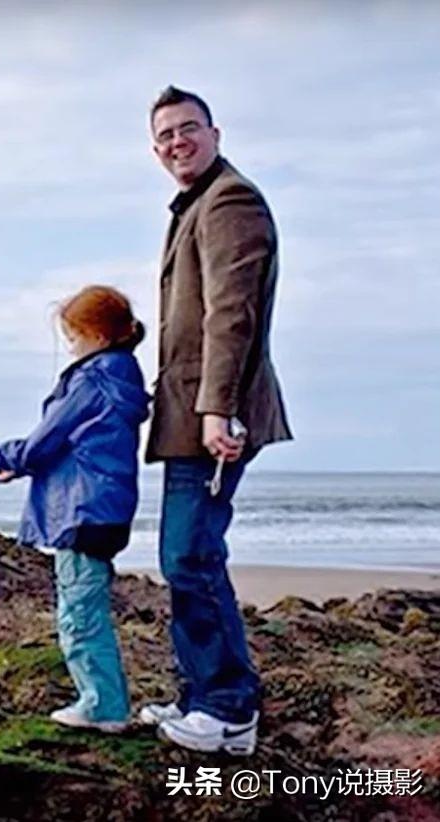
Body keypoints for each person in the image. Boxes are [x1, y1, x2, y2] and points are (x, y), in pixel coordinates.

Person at [139, 86, 292, 755]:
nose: (177, 142)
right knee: (187, 557)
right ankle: (202, 698)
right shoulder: (196, 204)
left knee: (190, 556)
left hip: (213, 416)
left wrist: (216, 408)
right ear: (155, 150)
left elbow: (233, 313)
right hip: (192, 411)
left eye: (187, 128)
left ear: (215, 133)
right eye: (165, 135)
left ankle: (228, 710)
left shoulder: (230, 201)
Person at [0, 286, 149, 733]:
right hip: (106, 507)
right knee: (86, 604)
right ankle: (103, 700)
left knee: (80, 612)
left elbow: (49, 435)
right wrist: (21, 466)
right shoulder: (122, 376)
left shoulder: (94, 379)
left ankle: (103, 706)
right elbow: (73, 444)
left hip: (83, 510)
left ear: (97, 336)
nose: (69, 346)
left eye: (73, 336)